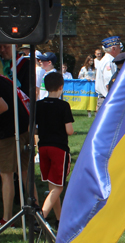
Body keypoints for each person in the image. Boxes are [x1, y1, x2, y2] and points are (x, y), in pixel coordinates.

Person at [35, 72, 74, 224]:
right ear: (61, 87)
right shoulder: (63, 105)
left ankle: (59, 219)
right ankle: (42, 217)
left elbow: (34, 128)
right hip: (58, 148)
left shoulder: (39, 105)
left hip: (43, 147)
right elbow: (69, 130)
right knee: (58, 188)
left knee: (53, 186)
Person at [0, 75, 31, 226]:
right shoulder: (4, 79)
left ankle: (7, 218)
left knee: (6, 174)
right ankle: (37, 210)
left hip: (9, 133)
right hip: (23, 128)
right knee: (24, 172)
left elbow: (2, 106)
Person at [94, 36, 121, 111]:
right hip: (107, 100)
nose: (120, 50)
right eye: (119, 47)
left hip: (104, 100)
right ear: (113, 49)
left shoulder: (105, 60)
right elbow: (109, 83)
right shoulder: (109, 62)